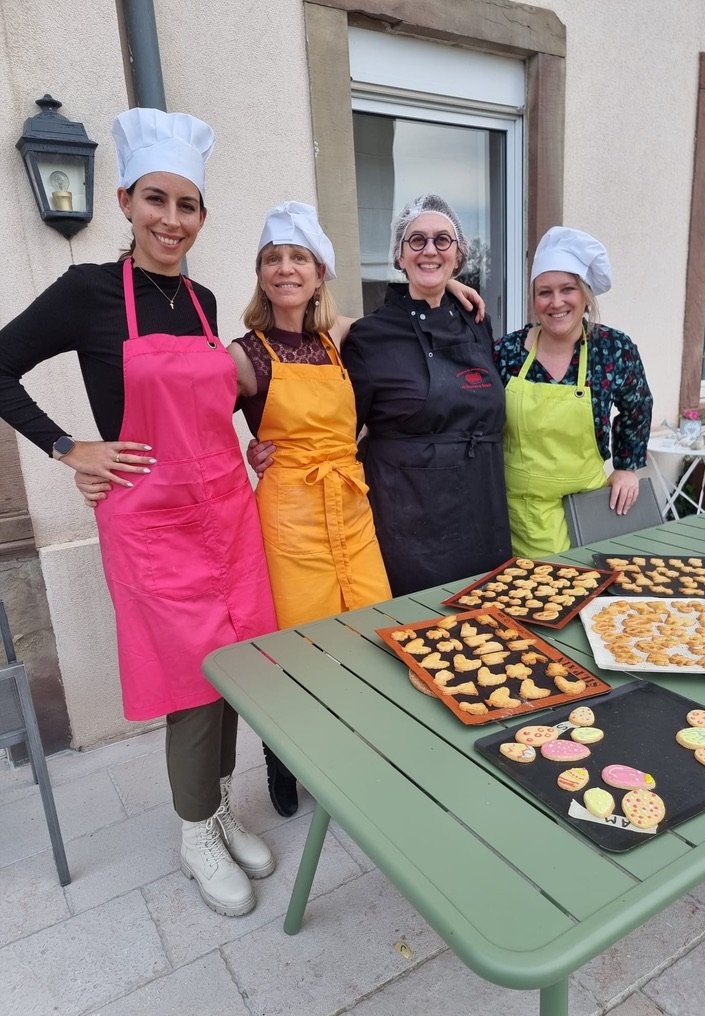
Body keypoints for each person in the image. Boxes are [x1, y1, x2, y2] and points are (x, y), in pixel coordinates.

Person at [0, 108, 278, 918]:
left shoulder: (203, 298)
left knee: (232, 676)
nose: (171, 219)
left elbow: (202, 405)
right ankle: (193, 834)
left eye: (187, 206)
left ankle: (219, 807)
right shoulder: (87, 292)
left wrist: (244, 447)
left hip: (225, 513)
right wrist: (67, 448)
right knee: (192, 684)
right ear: (124, 200)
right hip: (154, 527)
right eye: (156, 200)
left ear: (202, 217)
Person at [228, 201, 392, 816]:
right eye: (274, 259)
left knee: (368, 632)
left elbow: (403, 324)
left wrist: (451, 281)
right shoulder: (245, 355)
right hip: (288, 516)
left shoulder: (339, 338)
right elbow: (194, 419)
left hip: (350, 510)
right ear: (261, 274)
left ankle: (352, 747)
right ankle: (282, 755)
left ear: (319, 272)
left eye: (298, 258)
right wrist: (244, 447)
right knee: (293, 647)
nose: (285, 269)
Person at [341, 194, 511, 597]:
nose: (429, 250)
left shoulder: (477, 321)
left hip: (482, 507)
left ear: (459, 254)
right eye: (416, 241)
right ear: (399, 256)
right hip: (409, 522)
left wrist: (444, 284)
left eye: (442, 241)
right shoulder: (370, 335)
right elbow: (343, 430)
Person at [495, 225, 653, 558]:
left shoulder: (613, 348)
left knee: (595, 594)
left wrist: (627, 467)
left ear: (585, 295)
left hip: (590, 508)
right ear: (534, 299)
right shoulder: (507, 352)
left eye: (567, 289)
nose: (556, 303)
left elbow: (637, 405)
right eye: (544, 292)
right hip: (524, 513)